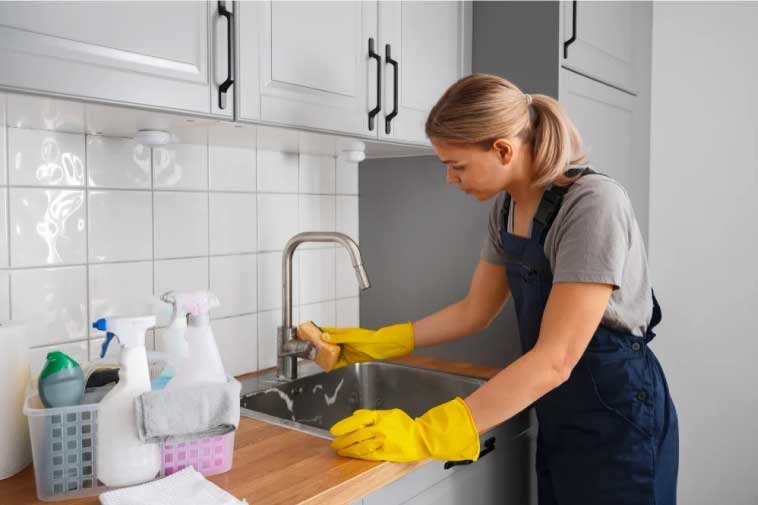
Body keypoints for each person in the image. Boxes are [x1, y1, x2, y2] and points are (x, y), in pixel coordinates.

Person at [320, 74, 679, 505]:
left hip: (618, 414)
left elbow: (556, 359)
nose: (451, 180)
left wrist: (426, 432)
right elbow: (475, 310)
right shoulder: (506, 208)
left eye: (457, 165)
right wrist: (383, 342)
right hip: (558, 406)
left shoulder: (593, 204)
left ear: (503, 150)